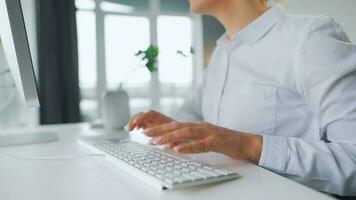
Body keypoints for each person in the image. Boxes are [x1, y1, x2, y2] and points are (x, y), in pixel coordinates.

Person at [128, 0, 356, 196]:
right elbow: (194, 118)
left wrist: (249, 145)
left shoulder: (309, 37)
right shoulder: (219, 54)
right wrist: (173, 128)